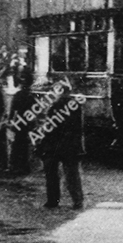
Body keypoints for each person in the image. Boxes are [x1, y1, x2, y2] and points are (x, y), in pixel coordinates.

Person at [36, 76, 84, 210]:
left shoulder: (55, 106)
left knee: (53, 174)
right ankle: (77, 201)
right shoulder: (75, 106)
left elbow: (49, 128)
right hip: (68, 145)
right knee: (72, 175)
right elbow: (78, 128)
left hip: (56, 145)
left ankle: (53, 200)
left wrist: (42, 144)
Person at [6, 69, 36, 174]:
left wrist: (10, 121)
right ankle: (24, 166)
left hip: (19, 121)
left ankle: (14, 165)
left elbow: (12, 109)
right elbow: (34, 111)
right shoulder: (31, 96)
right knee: (25, 145)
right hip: (27, 122)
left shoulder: (18, 95)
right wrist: (33, 125)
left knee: (17, 144)